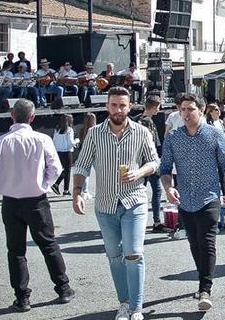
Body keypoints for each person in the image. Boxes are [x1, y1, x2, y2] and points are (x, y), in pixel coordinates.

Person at [71, 87, 159, 320]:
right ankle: (124, 302)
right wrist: (77, 192)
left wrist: (139, 172)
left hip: (134, 201)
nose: (118, 110)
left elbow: (154, 162)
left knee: (133, 253)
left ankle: (137, 308)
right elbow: (82, 165)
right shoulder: (95, 134)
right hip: (105, 205)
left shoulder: (141, 132)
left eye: (122, 105)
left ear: (129, 107)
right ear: (107, 106)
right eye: (114, 105)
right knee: (114, 256)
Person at [0, 99, 74, 312]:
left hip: (11, 201)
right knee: (49, 245)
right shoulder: (41, 139)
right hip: (36, 199)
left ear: (11, 116)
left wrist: (6, 179)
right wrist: (42, 183)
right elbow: (56, 168)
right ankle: (63, 288)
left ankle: (22, 297)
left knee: (15, 250)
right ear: (32, 117)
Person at [160, 93, 225, 312]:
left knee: (207, 242)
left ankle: (205, 288)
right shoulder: (173, 137)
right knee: (194, 243)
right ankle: (202, 279)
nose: (186, 114)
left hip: (209, 196)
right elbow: (165, 168)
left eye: (190, 109)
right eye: (182, 109)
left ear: (202, 110)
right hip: (185, 198)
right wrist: (168, 188)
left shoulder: (215, 134)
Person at [134, 96, 165, 233]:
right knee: (156, 191)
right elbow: (154, 143)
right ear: (153, 107)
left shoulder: (137, 120)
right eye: (158, 107)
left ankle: (136, 220)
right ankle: (156, 221)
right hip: (150, 161)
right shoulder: (148, 122)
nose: (159, 109)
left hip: (139, 162)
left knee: (140, 191)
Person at [52, 114, 77, 196]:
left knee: (64, 170)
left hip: (59, 151)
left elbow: (54, 141)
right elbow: (70, 143)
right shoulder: (69, 130)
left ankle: (57, 185)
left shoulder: (57, 129)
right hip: (67, 152)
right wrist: (77, 141)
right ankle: (65, 189)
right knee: (68, 170)